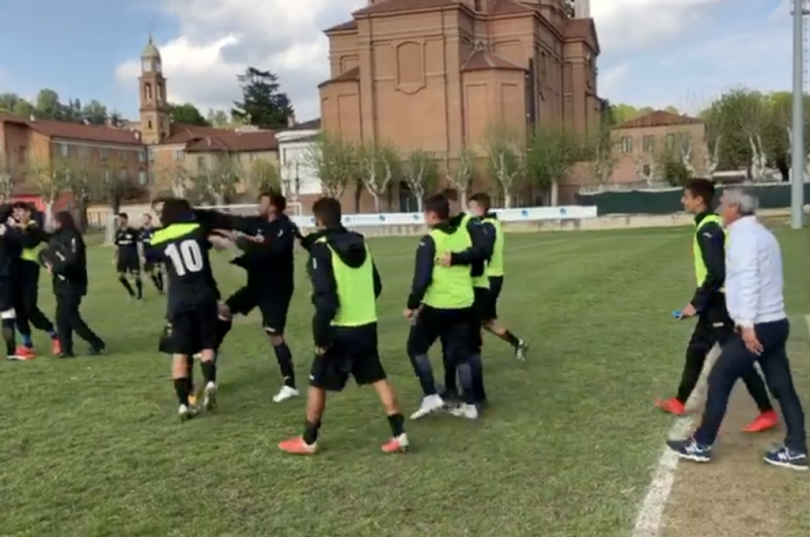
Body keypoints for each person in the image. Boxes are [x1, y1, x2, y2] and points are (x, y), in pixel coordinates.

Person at [667, 189, 808, 471]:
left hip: (758, 326)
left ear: (735, 207)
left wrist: (746, 325)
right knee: (782, 386)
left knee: (719, 378)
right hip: (776, 323)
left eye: (723, 204)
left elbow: (748, 283)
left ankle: (701, 444)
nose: (719, 208)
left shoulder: (743, 238)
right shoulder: (764, 234)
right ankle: (796, 448)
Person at [278, 197, 408, 454]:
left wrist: (321, 337)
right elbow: (376, 285)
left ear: (318, 220)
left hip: (339, 329)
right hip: (366, 325)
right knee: (378, 377)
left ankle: (308, 440)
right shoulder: (361, 243)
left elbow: (325, 298)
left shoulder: (322, 249)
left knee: (317, 381)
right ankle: (399, 434)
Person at [655, 179, 777, 433]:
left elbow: (717, 273)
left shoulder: (708, 229)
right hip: (715, 301)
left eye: (686, 196)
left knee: (736, 359)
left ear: (698, 200)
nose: (683, 201)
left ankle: (767, 412)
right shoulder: (708, 225)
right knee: (696, 350)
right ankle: (679, 401)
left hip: (720, 303)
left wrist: (695, 304)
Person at [203, 191, 301, 403]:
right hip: (256, 285)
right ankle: (210, 366)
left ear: (273, 206)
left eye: (262, 202)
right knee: (224, 311)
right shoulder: (257, 223)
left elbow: (273, 251)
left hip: (276, 289)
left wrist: (246, 244)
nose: (258, 205)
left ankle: (290, 384)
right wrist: (197, 215)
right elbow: (230, 220)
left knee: (274, 334)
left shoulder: (285, 227)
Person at [149, 199, 224, 420]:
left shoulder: (159, 236)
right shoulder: (197, 229)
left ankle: (183, 404)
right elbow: (216, 243)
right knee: (207, 344)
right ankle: (210, 381)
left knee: (180, 352)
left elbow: (151, 260)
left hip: (179, 299)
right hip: (205, 296)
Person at [407, 194, 479, 420]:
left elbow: (421, 279)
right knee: (462, 355)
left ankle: (431, 395)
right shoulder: (463, 235)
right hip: (464, 303)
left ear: (432, 215)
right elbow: (475, 263)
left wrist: (411, 305)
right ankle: (470, 405)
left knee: (416, 348)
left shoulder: (430, 240)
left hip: (438, 305)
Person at [466, 192, 528, 360]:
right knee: (487, 321)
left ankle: (472, 360)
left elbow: (484, 251)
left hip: (488, 280)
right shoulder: (491, 223)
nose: (470, 212)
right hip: (492, 278)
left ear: (479, 207)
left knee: (473, 320)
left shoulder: (488, 226)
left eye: (471, 208)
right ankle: (518, 343)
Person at [40, 211, 105, 358]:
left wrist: (55, 269)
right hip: (60, 282)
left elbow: (73, 259)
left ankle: (96, 342)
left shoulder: (73, 236)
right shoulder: (55, 237)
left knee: (71, 315)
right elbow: (48, 251)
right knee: (61, 317)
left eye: (54, 221)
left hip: (73, 281)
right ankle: (66, 349)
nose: (52, 223)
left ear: (61, 221)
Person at [9, 202, 60, 359]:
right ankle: (27, 343)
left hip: (29, 268)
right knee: (17, 308)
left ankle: (54, 336)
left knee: (29, 307)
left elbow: (28, 242)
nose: (17, 214)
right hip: (13, 269)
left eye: (20, 211)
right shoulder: (12, 228)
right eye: (15, 212)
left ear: (28, 213)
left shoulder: (33, 227)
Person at [0, 203, 23, 360]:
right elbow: (19, 244)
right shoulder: (8, 230)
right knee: (7, 313)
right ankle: (11, 352)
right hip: (5, 275)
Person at [113, 212, 143, 300]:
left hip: (132, 255)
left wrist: (141, 255)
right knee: (120, 276)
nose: (119, 221)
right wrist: (114, 257)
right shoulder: (118, 232)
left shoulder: (133, 231)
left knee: (136, 275)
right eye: (118, 220)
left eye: (120, 219)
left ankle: (140, 294)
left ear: (125, 219)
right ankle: (131, 291)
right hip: (122, 256)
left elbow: (140, 243)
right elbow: (116, 246)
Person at [139, 213, 165, 294]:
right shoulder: (141, 231)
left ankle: (161, 287)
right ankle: (158, 286)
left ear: (150, 219)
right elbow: (140, 243)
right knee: (150, 273)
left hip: (156, 253)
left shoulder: (156, 230)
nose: (144, 220)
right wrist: (141, 255)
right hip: (147, 254)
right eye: (143, 218)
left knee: (157, 270)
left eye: (146, 218)